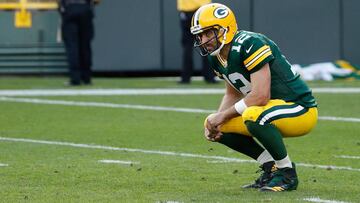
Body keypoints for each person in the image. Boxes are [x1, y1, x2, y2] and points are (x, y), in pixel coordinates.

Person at [190, 3, 318, 192]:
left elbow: (260, 96)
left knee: (253, 114)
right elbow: (232, 92)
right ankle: (270, 167)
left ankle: (287, 173)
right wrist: (217, 120)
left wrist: (223, 115)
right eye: (200, 35)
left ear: (225, 29)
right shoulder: (215, 56)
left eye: (209, 33)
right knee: (216, 124)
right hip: (269, 109)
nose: (204, 39)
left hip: (299, 109)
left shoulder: (249, 43)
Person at [58, 0, 99, 86]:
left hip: (70, 9)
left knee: (72, 47)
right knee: (85, 46)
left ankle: (75, 78)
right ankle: (86, 78)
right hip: (85, 9)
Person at [177, 0, 217, 84]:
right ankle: (209, 77)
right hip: (203, 11)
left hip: (187, 12)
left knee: (188, 47)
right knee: (206, 43)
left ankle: (185, 78)